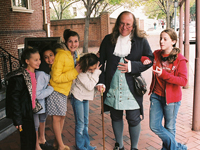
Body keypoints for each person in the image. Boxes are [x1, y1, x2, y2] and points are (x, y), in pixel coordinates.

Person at [96, 11, 154, 150]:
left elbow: (150, 60)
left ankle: (134, 147)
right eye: (121, 23)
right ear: (117, 24)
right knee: (115, 116)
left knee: (133, 118)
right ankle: (119, 145)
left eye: (128, 24)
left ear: (133, 26)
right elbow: (100, 63)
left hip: (132, 87)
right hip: (112, 85)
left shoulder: (141, 41)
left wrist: (132, 66)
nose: (124, 27)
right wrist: (101, 81)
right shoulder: (108, 40)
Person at [148, 28, 188, 150]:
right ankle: (177, 147)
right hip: (156, 95)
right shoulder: (156, 54)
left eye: (165, 39)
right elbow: (146, 56)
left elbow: (183, 81)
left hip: (172, 99)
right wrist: (143, 59)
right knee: (154, 125)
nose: (161, 41)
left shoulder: (180, 59)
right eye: (161, 38)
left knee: (169, 127)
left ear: (173, 41)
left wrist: (165, 75)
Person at [47, 29, 81, 150]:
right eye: (70, 41)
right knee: (57, 118)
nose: (73, 44)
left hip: (64, 91)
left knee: (62, 117)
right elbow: (56, 77)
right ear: (66, 42)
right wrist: (74, 72)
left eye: (76, 41)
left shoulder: (75, 54)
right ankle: (61, 145)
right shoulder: (62, 55)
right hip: (56, 90)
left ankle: (57, 143)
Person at [6, 47, 41, 150]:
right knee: (26, 142)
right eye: (35, 60)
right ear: (27, 61)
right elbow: (14, 100)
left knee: (32, 139)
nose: (39, 62)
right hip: (23, 115)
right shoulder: (19, 77)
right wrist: (17, 120)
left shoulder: (33, 74)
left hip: (29, 112)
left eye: (39, 59)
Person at [70, 53, 101, 150]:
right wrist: (96, 73)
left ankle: (86, 144)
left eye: (94, 69)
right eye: (90, 69)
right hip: (78, 97)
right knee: (80, 123)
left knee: (85, 123)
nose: (92, 71)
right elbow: (90, 86)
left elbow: (92, 82)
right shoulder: (80, 72)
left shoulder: (91, 70)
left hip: (85, 98)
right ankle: (80, 146)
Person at [34, 45, 55, 150]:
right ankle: (37, 143)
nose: (49, 59)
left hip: (43, 103)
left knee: (43, 120)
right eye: (46, 57)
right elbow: (37, 93)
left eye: (51, 55)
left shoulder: (48, 70)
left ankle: (42, 139)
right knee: (36, 124)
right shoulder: (41, 73)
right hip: (38, 103)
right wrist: (51, 89)